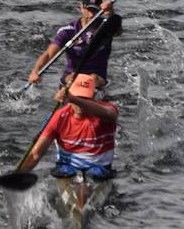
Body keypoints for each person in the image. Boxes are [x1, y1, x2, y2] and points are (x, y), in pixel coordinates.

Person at [17, 74, 119, 206]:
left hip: (99, 171)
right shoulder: (58, 117)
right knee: (67, 174)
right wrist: (17, 177)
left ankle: (83, 206)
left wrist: (73, 99)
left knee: (94, 177)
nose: (80, 103)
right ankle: (78, 207)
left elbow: (110, 115)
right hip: (68, 171)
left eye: (85, 97)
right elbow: (35, 154)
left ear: (93, 96)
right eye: (78, 96)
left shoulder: (108, 111)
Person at [27, 0, 122, 92]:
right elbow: (48, 54)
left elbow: (117, 32)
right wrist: (35, 71)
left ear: (100, 10)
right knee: (74, 78)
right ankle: (70, 96)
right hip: (71, 77)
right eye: (89, 9)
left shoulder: (106, 27)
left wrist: (110, 13)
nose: (91, 14)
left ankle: (80, 97)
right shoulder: (68, 31)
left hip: (97, 78)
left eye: (95, 10)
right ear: (80, 8)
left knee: (92, 79)